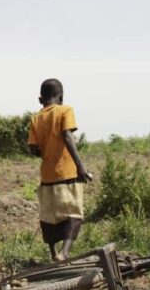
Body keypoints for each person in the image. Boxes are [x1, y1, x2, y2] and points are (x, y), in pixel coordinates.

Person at [27, 78, 93, 262]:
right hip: (67, 174)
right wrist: (80, 166)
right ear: (61, 97)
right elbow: (67, 136)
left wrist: (46, 148)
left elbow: (33, 149)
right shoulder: (65, 110)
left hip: (47, 177)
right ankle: (64, 253)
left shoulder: (35, 118)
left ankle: (53, 253)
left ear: (41, 100)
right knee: (73, 214)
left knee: (49, 217)